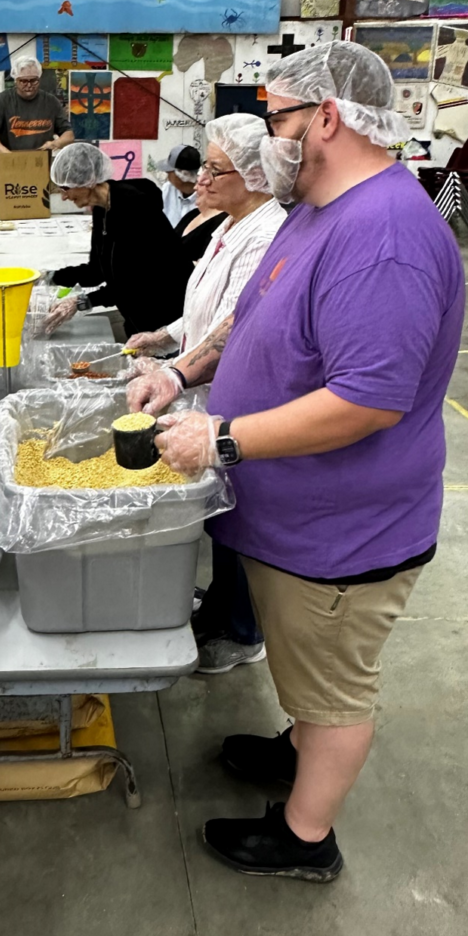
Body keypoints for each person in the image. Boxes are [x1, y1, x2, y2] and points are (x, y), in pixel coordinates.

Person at [142, 42, 463, 883]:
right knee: (305, 672)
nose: (266, 139)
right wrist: (181, 372)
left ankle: (306, 837)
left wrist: (221, 438)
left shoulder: (384, 236)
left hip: (344, 533)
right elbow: (248, 321)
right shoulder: (317, 209)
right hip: (295, 518)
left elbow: (368, 400)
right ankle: (299, 746)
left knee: (334, 686)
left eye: (277, 117)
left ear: (327, 116)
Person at [127, 116, 286, 674]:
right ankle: (220, 605)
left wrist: (173, 372)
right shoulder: (227, 223)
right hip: (204, 383)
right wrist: (167, 335)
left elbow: (235, 323)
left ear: (257, 178)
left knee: (237, 512)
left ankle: (244, 631)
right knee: (215, 510)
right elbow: (205, 307)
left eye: (215, 171)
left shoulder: (266, 234)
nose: (199, 181)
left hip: (233, 392)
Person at [44, 142, 193, 338]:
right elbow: (96, 271)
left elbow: (135, 282)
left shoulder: (135, 207)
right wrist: (49, 277)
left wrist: (83, 302)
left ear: (87, 181)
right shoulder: (101, 208)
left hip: (168, 317)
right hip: (137, 318)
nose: (64, 197)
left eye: (65, 188)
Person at [0, 55, 74, 154]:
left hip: (41, 163)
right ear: (16, 80)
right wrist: (7, 155)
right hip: (9, 164)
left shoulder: (51, 102)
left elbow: (69, 134)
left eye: (33, 80)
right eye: (23, 81)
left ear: (39, 79)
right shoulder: (2, 100)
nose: (29, 85)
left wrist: (55, 143)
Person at [160, 144, 200, 228]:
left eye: (169, 171)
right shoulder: (167, 189)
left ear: (182, 175)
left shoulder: (207, 197)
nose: (167, 174)